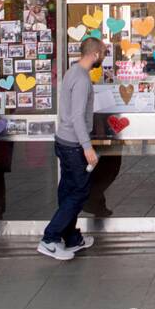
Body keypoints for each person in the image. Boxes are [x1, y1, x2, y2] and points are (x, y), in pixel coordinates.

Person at [39, 36, 103, 261]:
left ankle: (71, 238)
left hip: (63, 141)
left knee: (67, 190)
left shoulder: (71, 72)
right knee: (79, 192)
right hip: (73, 145)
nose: (103, 56)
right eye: (102, 52)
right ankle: (50, 238)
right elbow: (77, 116)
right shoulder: (83, 80)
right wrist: (87, 147)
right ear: (95, 54)